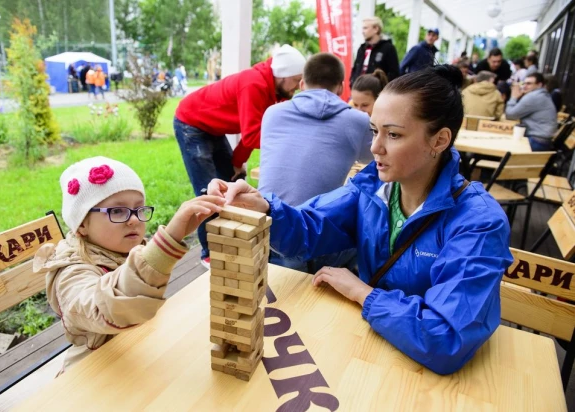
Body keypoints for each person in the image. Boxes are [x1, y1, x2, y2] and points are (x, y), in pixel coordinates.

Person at [208, 65, 513, 375]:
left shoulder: (479, 223)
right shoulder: (372, 187)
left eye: (393, 134)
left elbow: (447, 339)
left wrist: (362, 293)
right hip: (366, 350)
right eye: (373, 130)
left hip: (423, 377)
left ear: (439, 140)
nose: (374, 147)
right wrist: (265, 207)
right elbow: (310, 227)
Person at [33, 156, 225, 370]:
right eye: (117, 211)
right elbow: (106, 308)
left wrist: (178, 233)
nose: (134, 219)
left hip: (139, 353)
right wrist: (166, 243)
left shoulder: (119, 249)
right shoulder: (72, 272)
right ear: (82, 225)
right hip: (94, 373)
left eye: (139, 209)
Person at [174, 44, 306, 267]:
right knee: (210, 192)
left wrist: (237, 162)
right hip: (191, 123)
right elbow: (255, 134)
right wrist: (287, 141)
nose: (297, 87)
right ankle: (210, 253)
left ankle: (233, 242)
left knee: (232, 184)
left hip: (213, 128)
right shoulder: (253, 84)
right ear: (282, 76)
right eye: (295, 80)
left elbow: (255, 129)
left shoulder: (275, 90)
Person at [258, 53, 373, 272]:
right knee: (365, 235)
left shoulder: (272, 113)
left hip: (261, 235)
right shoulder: (357, 120)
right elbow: (377, 158)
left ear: (302, 83)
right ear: (341, 87)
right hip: (308, 245)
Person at [506, 73, 557, 151]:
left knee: (503, 145)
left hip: (536, 142)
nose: (524, 86)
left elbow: (510, 115)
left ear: (539, 85)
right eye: (524, 83)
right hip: (543, 140)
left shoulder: (534, 96)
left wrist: (513, 97)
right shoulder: (542, 95)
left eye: (529, 84)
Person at [350, 16, 400, 85]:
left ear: (376, 29)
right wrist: (352, 82)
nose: (362, 32)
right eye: (363, 28)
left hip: (377, 93)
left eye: (365, 28)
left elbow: (394, 73)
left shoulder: (388, 48)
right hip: (358, 90)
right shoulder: (362, 48)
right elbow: (355, 68)